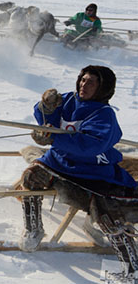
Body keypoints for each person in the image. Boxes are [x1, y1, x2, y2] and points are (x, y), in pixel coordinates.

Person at [18, 66, 137, 279]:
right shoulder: (70, 100)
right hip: (59, 162)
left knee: (108, 214)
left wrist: (54, 138)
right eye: (82, 79)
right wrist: (45, 106)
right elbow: (48, 118)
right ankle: (34, 229)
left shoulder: (104, 115)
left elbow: (88, 146)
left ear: (103, 88)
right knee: (31, 176)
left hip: (91, 171)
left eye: (91, 82)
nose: (84, 85)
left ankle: (132, 269)